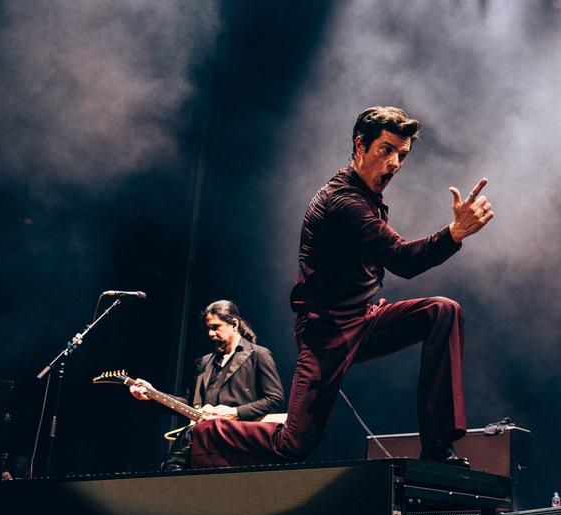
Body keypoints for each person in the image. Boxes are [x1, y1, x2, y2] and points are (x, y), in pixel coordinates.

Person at [189, 106, 492, 469]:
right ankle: (208, 433)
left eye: (403, 155)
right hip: (326, 332)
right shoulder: (342, 201)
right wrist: (454, 233)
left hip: (365, 319)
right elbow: (403, 260)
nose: (395, 163)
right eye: (387, 149)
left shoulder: (368, 199)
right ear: (360, 145)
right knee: (294, 445)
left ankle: (437, 447)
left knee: (442, 311)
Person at [128, 300, 285, 469]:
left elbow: (275, 399)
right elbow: (190, 404)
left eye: (215, 327)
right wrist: (152, 395)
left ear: (234, 324)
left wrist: (234, 412)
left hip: (238, 442)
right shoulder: (204, 363)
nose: (210, 333)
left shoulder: (258, 354)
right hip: (205, 442)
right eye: (208, 328)